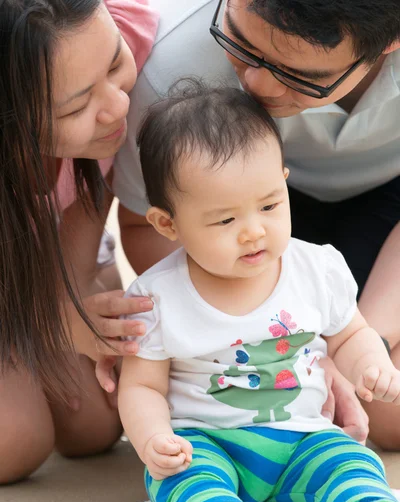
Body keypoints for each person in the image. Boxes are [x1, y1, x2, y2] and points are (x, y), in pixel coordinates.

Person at [118, 82, 400, 502]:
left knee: (350, 462)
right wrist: (152, 439)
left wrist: (371, 363)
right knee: (179, 482)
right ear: (169, 225)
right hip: (206, 444)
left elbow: (350, 334)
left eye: (270, 205)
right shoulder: (156, 298)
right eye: (224, 220)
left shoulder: (316, 268)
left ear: (284, 181)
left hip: (304, 435)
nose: (254, 231)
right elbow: (141, 386)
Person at [113, 0, 400, 450]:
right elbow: (144, 226)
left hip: (386, 203)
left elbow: (357, 346)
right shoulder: (165, 67)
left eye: (301, 74)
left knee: (388, 410)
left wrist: (347, 348)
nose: (256, 83)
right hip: (241, 213)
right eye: (240, 44)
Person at [0, 0, 158, 484]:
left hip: (52, 254)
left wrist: (69, 302)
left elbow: (95, 195)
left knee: (94, 425)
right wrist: (50, 321)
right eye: (75, 105)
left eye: (115, 63)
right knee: (14, 443)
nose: (118, 106)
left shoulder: (106, 30)